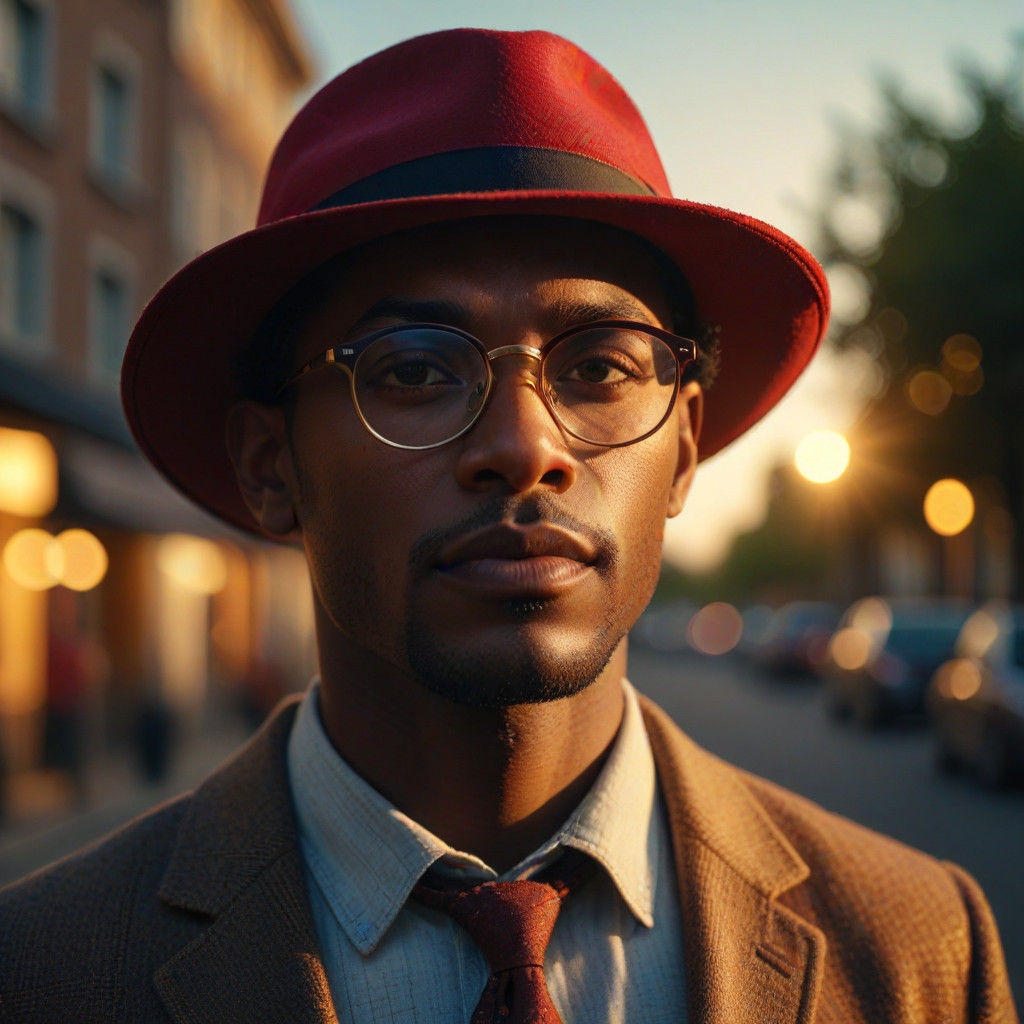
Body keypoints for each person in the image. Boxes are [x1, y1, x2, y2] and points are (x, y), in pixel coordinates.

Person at [0, 28, 1017, 1024]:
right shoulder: (42, 972)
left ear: (686, 450)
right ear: (272, 467)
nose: (526, 444)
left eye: (601, 366)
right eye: (412, 369)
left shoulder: (920, 947)